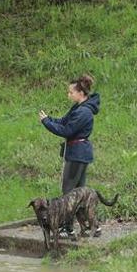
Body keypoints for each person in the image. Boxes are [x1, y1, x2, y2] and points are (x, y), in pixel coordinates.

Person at [38, 75, 102, 227]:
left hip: (77, 155)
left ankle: (68, 227)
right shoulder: (78, 108)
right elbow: (63, 121)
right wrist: (49, 118)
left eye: (71, 92)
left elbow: (67, 130)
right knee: (78, 194)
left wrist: (46, 123)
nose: (69, 95)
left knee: (68, 193)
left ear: (80, 93)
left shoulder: (83, 112)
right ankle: (89, 226)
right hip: (78, 153)